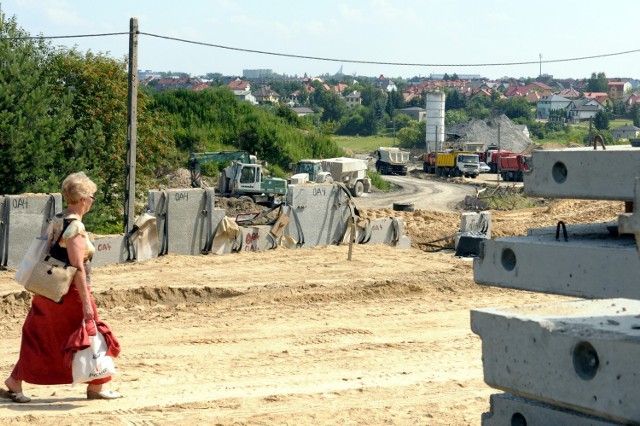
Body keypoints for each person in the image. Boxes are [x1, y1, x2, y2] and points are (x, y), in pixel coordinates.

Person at [0, 172, 122, 403]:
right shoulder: (75, 227)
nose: (93, 201)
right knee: (90, 330)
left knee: (40, 335)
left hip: (48, 288)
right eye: (92, 196)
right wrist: (86, 304)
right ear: (84, 198)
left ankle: (15, 381)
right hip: (70, 292)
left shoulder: (57, 219)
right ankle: (97, 386)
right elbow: (77, 267)